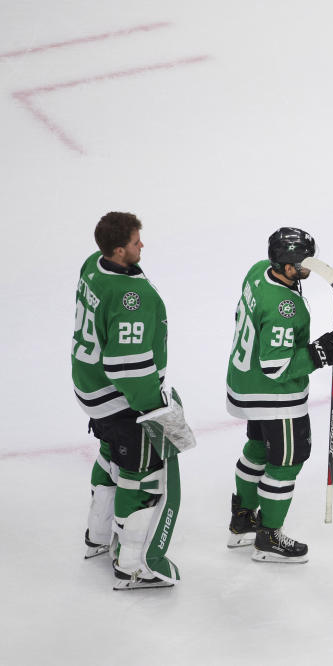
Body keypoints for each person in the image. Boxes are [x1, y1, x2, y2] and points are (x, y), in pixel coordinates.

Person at [73, 212, 196, 589]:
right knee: (142, 473)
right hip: (121, 399)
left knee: (111, 454)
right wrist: (155, 409)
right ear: (117, 248)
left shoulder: (93, 265)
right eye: (135, 241)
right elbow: (127, 367)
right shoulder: (132, 297)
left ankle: (97, 536)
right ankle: (132, 565)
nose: (142, 245)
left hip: (90, 386)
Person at [225, 227, 333, 563]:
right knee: (287, 461)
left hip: (244, 383)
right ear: (287, 266)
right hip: (273, 397)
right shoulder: (285, 306)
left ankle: (243, 519)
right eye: (304, 260)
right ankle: (268, 537)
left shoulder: (257, 272)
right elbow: (276, 367)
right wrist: (320, 354)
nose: (311, 264)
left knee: (256, 449)